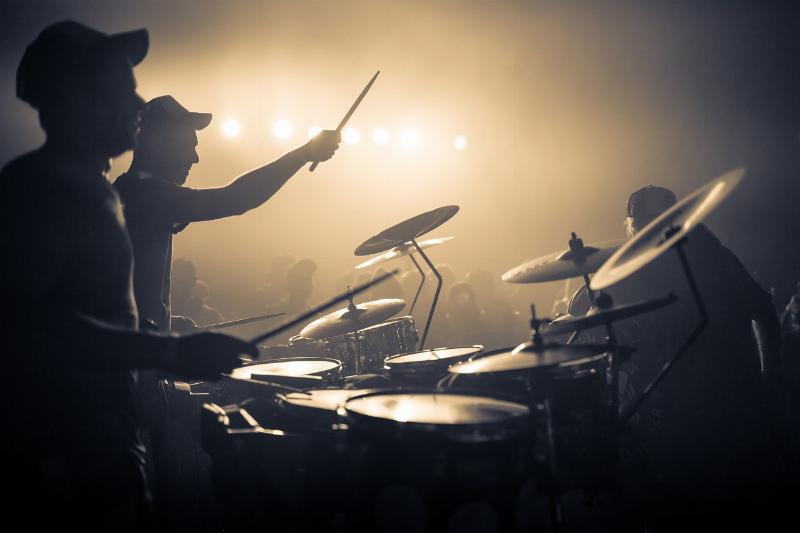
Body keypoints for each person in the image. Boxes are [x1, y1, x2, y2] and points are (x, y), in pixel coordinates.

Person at [0, 21, 256, 531]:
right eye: (123, 88)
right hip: (70, 454)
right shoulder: (45, 188)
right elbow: (27, 325)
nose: (137, 104)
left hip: (101, 441)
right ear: (78, 98)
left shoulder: (95, 188)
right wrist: (170, 353)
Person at [596, 186, 784, 530]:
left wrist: (767, 380)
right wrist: (768, 379)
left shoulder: (684, 262)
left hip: (700, 408)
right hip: (724, 399)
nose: (642, 233)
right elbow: (764, 311)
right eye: (639, 227)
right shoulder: (714, 254)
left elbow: (583, 307)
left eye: (649, 226)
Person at [114, 95, 340, 333]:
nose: (195, 158)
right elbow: (236, 198)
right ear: (158, 144)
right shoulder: (149, 195)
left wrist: (169, 322)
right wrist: (303, 154)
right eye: (187, 146)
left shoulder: (129, 190)